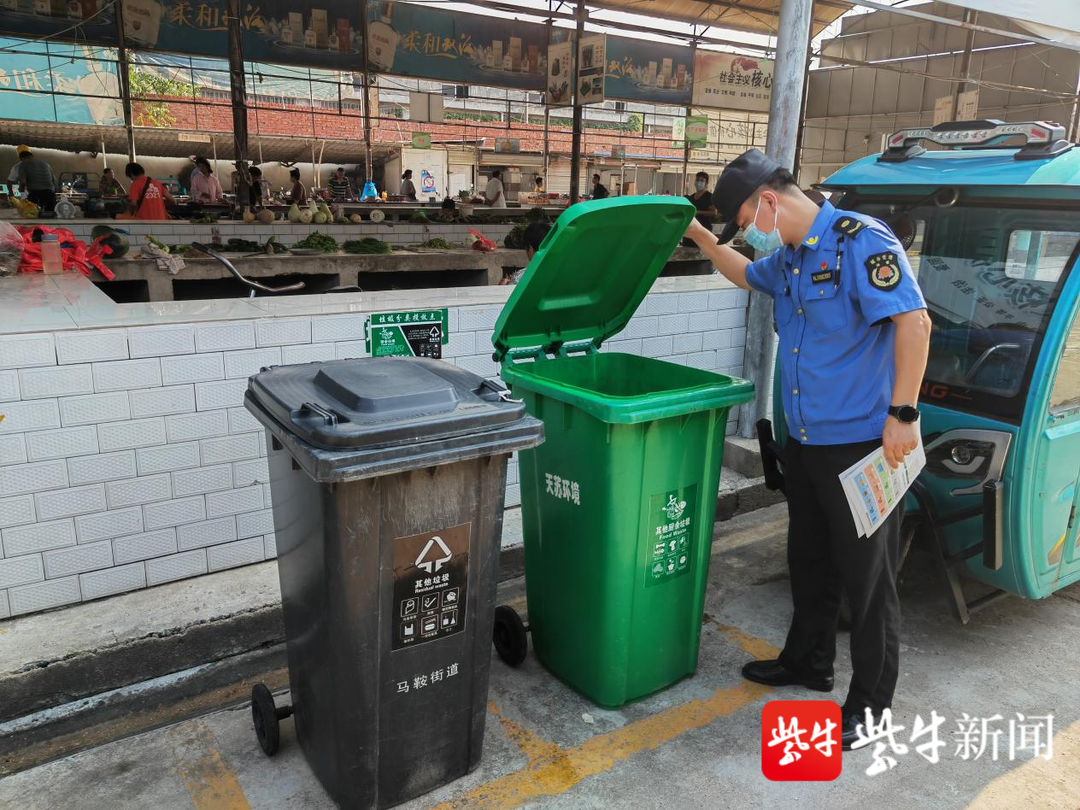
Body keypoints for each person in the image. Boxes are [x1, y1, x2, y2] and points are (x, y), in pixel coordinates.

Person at [683, 148, 931, 750]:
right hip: (808, 443)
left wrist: (903, 413)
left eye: (744, 219)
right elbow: (743, 271)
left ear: (768, 199)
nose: (748, 231)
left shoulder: (859, 242)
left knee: (867, 584)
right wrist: (697, 235)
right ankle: (808, 661)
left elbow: (915, 323)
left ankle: (871, 709)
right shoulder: (791, 257)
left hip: (863, 447)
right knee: (810, 561)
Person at [499, 221, 550, 286]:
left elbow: (510, 295)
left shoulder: (520, 278)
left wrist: (501, 288)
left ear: (530, 248)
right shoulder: (563, 272)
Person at [683, 171, 718, 247]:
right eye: (697, 180)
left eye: (702, 181)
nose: (699, 182)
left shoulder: (709, 197)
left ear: (706, 183)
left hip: (703, 230)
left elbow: (713, 212)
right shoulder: (691, 197)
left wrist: (698, 212)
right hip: (691, 230)